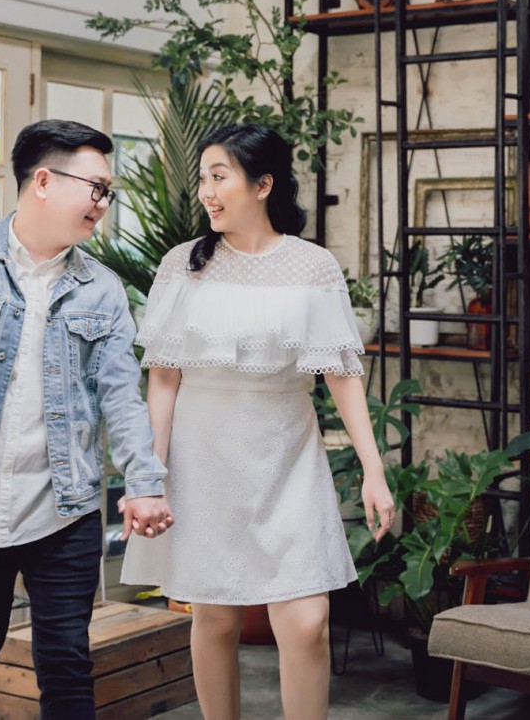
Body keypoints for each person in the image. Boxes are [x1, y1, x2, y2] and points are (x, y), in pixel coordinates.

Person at [0, 119, 175, 720]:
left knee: (66, 660)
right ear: (43, 180)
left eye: (108, 191)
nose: (103, 203)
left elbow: (121, 395)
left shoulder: (102, 290)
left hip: (63, 508)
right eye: (96, 188)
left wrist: (144, 482)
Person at [121, 124, 393, 720]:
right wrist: (149, 475)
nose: (207, 192)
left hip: (286, 454)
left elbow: (342, 373)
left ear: (263, 184)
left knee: (307, 622)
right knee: (215, 616)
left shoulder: (313, 266)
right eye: (203, 178)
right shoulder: (181, 265)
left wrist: (374, 470)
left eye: (219, 177)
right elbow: (163, 379)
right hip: (202, 456)